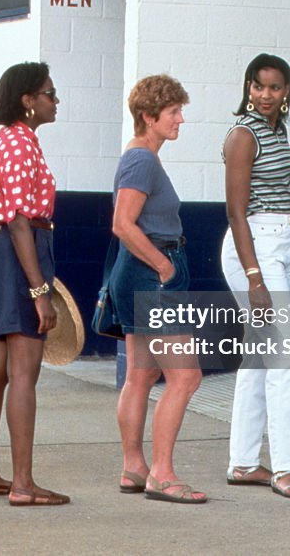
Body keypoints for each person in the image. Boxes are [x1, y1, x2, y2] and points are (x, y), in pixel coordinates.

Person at [0, 62, 68, 507]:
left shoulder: (11, 142)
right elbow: (21, 223)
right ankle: (23, 483)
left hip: (2, 252)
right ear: (27, 101)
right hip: (18, 254)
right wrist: (39, 292)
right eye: (49, 93)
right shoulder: (18, 145)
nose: (55, 99)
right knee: (24, 369)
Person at [220, 54, 290, 500]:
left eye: (275, 88)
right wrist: (255, 276)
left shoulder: (278, 132)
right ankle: (285, 469)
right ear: (247, 86)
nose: (265, 95)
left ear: (287, 91)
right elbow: (237, 212)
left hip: (279, 244)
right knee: (287, 359)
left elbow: (284, 197)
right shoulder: (243, 134)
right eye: (258, 86)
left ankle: (242, 462)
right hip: (251, 248)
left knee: (260, 358)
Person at [109, 74, 207, 504]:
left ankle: (135, 468)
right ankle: (162, 475)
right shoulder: (142, 160)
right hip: (153, 272)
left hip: (142, 272)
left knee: (142, 375)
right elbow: (122, 224)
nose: (181, 120)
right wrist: (165, 265)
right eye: (173, 112)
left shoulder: (142, 156)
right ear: (149, 116)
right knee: (186, 377)